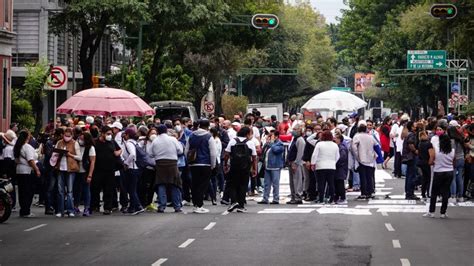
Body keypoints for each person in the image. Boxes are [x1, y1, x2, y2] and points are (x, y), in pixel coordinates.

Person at [185, 119, 217, 213]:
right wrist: (213, 164)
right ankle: (199, 205)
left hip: (193, 164)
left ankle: (196, 204)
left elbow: (186, 150)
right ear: (208, 127)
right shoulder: (209, 136)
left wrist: (188, 161)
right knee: (203, 185)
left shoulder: (191, 135)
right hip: (205, 163)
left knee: (195, 184)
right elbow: (213, 152)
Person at [224, 127, 257, 213]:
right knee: (243, 185)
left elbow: (227, 154)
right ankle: (241, 205)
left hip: (234, 166)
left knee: (232, 184)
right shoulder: (250, 143)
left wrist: (225, 165)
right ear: (247, 134)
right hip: (245, 167)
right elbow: (254, 157)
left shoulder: (233, 141)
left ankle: (234, 201)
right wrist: (254, 169)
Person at [151, 125, 184, 213]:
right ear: (166, 131)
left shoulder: (155, 141)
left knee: (161, 184)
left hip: (160, 164)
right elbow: (180, 151)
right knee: (175, 184)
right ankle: (177, 206)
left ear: (157, 131)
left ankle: (161, 206)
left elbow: (150, 154)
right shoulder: (172, 139)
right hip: (172, 164)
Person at [91, 126, 122, 215]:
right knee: (95, 189)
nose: (110, 136)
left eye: (111, 134)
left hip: (110, 170)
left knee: (108, 189)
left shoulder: (112, 142)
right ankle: (95, 206)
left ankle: (108, 208)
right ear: (102, 133)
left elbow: (119, 149)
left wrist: (117, 152)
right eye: (108, 134)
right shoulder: (95, 142)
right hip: (98, 169)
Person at [424, 133, 455, 218]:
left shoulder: (436, 150)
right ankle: (443, 212)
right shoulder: (452, 151)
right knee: (445, 192)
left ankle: (432, 211)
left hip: (438, 172)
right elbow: (453, 162)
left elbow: (431, 161)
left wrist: (433, 163)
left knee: (434, 192)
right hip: (449, 172)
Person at [53, 127, 81, 217]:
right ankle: (60, 210)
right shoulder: (59, 142)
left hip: (71, 169)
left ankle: (70, 210)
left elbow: (79, 157)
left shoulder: (75, 143)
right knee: (60, 191)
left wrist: (70, 155)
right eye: (65, 135)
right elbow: (54, 154)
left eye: (69, 136)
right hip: (60, 168)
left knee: (69, 191)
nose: (67, 137)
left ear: (72, 135)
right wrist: (58, 153)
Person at [14, 130, 41, 217]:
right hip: (27, 171)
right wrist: (36, 169)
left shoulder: (18, 146)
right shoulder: (27, 147)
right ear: (27, 137)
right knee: (28, 191)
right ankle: (26, 211)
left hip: (19, 170)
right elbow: (30, 160)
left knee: (22, 192)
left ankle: (23, 210)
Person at [311, 130, 340, 204]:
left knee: (321, 183)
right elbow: (337, 156)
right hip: (331, 166)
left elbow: (315, 155)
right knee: (331, 183)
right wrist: (333, 162)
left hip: (320, 166)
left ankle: (321, 199)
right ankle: (332, 199)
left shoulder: (319, 144)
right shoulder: (335, 145)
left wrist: (313, 163)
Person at [122, 128, 145, 215]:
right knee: (133, 188)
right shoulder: (135, 142)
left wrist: (126, 163)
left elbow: (132, 154)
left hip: (131, 168)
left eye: (125, 134)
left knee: (131, 189)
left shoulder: (128, 143)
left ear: (127, 135)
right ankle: (132, 208)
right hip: (137, 168)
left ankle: (138, 206)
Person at [258, 130, 284, 204]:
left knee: (275, 183)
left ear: (276, 136)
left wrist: (272, 143)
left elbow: (276, 150)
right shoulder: (268, 144)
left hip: (275, 166)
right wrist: (267, 143)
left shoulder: (280, 144)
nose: (270, 137)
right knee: (267, 183)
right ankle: (265, 198)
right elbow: (263, 152)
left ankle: (276, 198)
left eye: (272, 136)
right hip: (267, 166)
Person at [352, 124, 377, 200]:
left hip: (361, 158)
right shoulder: (371, 137)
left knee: (362, 177)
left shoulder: (357, 136)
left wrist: (357, 157)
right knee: (369, 176)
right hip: (370, 158)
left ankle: (364, 193)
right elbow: (376, 145)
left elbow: (354, 148)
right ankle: (370, 192)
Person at [287, 124, 307, 204]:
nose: (293, 131)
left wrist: (296, 162)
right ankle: (293, 197)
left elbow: (300, 153)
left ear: (299, 130)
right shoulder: (294, 139)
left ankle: (298, 197)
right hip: (291, 162)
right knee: (292, 181)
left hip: (296, 163)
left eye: (295, 129)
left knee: (297, 180)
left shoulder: (300, 140)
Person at [77, 131, 96, 216]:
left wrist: (90, 175)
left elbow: (92, 162)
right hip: (76, 170)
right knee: (76, 190)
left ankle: (87, 208)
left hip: (85, 171)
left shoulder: (90, 148)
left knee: (86, 190)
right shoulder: (76, 145)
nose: (80, 140)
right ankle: (75, 206)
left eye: (82, 139)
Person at [139, 128, 158, 211]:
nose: (153, 135)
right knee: (144, 186)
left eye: (155, 133)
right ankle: (143, 203)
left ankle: (149, 203)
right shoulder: (144, 142)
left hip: (155, 167)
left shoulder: (158, 143)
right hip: (146, 168)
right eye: (151, 133)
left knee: (152, 187)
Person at [447, 124, 465, 203]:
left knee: (453, 178)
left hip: (455, 160)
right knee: (460, 178)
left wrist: (452, 161)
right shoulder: (460, 139)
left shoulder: (452, 141)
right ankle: (460, 196)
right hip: (461, 158)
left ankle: (453, 196)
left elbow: (453, 152)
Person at [402, 121, 419, 200]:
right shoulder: (412, 134)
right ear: (412, 127)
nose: (416, 126)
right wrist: (415, 151)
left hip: (408, 157)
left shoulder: (408, 134)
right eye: (415, 125)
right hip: (411, 157)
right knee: (412, 175)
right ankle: (410, 193)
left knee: (409, 175)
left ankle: (408, 192)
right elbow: (410, 144)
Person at [208, 127, 222, 205]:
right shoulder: (214, 140)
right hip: (215, 160)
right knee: (212, 179)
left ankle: (213, 196)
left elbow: (215, 152)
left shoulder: (215, 140)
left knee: (212, 179)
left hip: (215, 160)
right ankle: (212, 196)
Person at [417, 131, 433, 200]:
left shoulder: (419, 143)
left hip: (421, 162)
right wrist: (431, 161)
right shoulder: (428, 144)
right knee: (428, 178)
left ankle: (423, 193)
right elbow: (431, 154)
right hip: (427, 162)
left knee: (424, 178)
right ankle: (428, 192)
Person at [334, 133, 348, 204]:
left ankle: (342, 197)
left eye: (336, 138)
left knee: (340, 183)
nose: (334, 139)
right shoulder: (336, 147)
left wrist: (335, 163)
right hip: (337, 168)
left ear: (339, 139)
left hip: (340, 168)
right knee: (336, 183)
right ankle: (337, 197)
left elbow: (342, 158)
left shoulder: (342, 148)